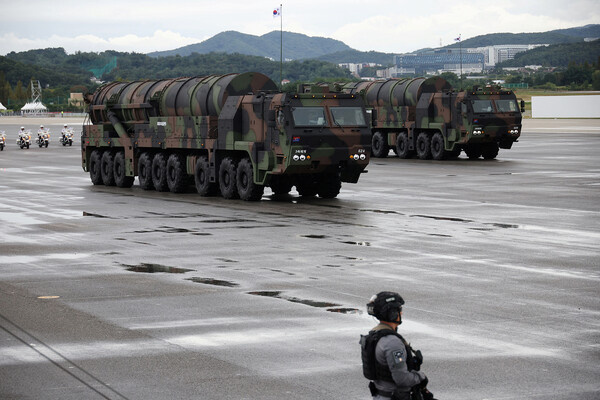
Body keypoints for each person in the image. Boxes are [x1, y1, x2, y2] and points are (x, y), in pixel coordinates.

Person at [360, 291, 436, 400]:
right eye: (399, 310)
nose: (401, 313)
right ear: (392, 313)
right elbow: (402, 379)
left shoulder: (375, 336)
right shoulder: (392, 343)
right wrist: (421, 376)